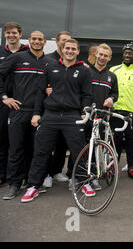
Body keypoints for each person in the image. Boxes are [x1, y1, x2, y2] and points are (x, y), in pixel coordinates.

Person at [21, 38, 93, 203]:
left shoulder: (83, 71)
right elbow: (40, 92)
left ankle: (83, 182)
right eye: (67, 48)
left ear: (77, 51)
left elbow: (87, 95)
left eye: (73, 49)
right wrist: (36, 113)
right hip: (50, 115)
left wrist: (84, 111)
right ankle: (34, 186)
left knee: (79, 151)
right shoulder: (50, 66)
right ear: (62, 49)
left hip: (72, 115)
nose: (70, 51)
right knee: (41, 151)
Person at [0, 31, 52, 200]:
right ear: (29, 40)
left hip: (40, 113)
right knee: (16, 149)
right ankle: (14, 185)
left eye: (40, 39)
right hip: (18, 111)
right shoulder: (18, 58)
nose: (37, 41)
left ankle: (32, 183)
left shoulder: (49, 62)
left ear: (44, 42)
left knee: (35, 150)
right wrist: (5, 98)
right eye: (34, 39)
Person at [110, 42, 133, 180]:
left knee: (132, 142)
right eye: (125, 52)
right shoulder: (113, 70)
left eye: (130, 53)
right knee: (115, 142)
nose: (127, 55)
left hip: (131, 114)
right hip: (115, 112)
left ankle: (132, 166)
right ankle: (112, 166)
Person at [0, 22, 29, 188]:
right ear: (5, 34)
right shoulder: (0, 51)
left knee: (19, 143)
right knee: (2, 140)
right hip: (4, 102)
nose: (11, 35)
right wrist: (3, 97)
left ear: (20, 34)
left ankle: (19, 176)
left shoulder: (26, 52)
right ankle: (2, 175)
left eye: (14, 33)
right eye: (8, 33)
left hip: (21, 104)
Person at [43, 31, 73, 188]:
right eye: (63, 41)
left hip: (66, 111)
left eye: (68, 41)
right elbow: (41, 83)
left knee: (62, 144)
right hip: (49, 110)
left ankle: (56, 171)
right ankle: (46, 173)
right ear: (57, 42)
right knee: (48, 144)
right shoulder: (48, 59)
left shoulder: (73, 62)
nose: (65, 44)